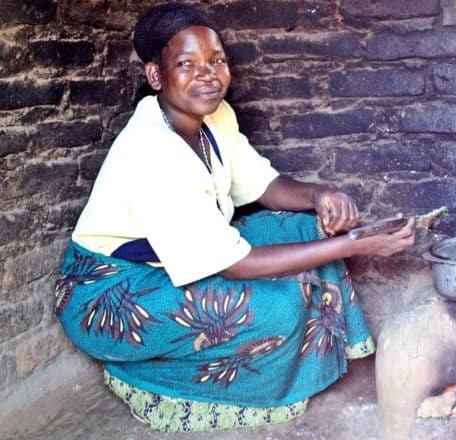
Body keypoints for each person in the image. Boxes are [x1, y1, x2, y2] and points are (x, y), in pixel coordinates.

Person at [54, 3, 414, 433]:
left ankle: (303, 362)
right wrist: (356, 244)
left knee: (308, 227)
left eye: (216, 60)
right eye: (186, 64)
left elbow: (263, 186)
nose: (207, 74)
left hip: (169, 265)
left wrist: (318, 194)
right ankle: (146, 377)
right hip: (111, 293)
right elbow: (235, 265)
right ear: (156, 76)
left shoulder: (214, 117)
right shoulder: (151, 152)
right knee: (278, 309)